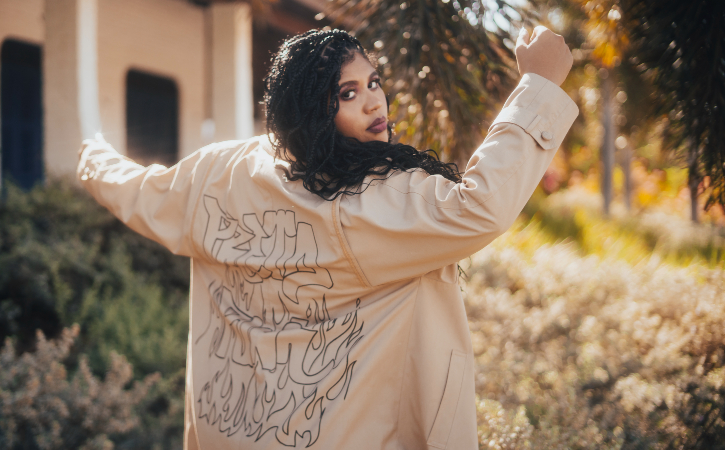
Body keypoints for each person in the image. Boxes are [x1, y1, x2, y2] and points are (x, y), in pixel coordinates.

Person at [78, 25, 576, 450]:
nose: (374, 101)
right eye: (347, 93)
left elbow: (138, 190)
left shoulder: (223, 173)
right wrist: (539, 85)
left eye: (373, 82)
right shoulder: (366, 202)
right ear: (313, 110)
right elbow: (479, 207)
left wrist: (92, 154)